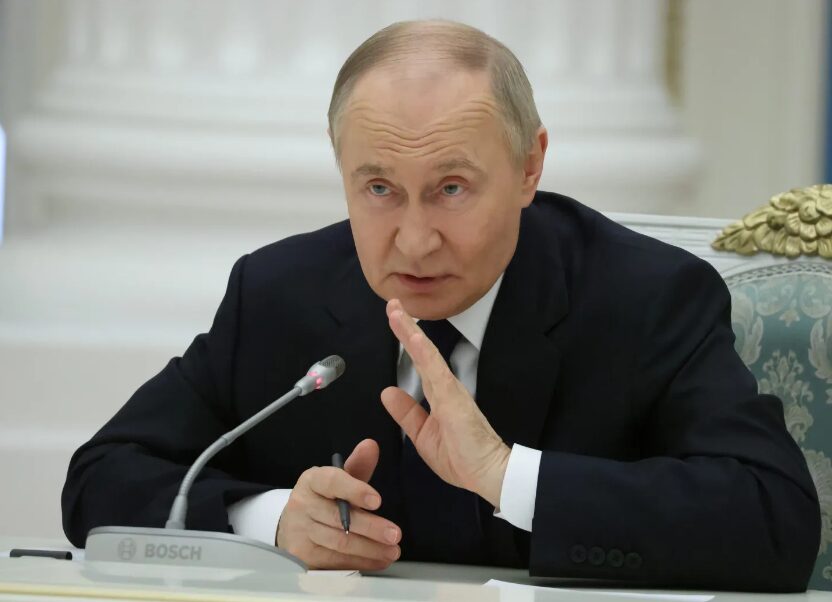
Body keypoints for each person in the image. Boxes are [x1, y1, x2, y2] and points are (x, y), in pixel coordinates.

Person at [61, 20, 820, 591]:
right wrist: (271, 520)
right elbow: (102, 478)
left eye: (452, 189)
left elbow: (774, 521)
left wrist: (507, 478)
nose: (415, 241)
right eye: (379, 189)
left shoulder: (647, 297)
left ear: (529, 167)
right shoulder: (278, 294)